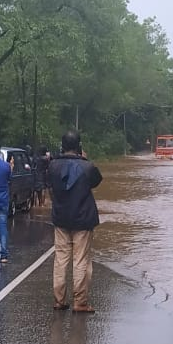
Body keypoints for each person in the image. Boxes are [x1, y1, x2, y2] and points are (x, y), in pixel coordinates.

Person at [48, 130, 102, 313]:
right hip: (82, 218)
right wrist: (84, 159)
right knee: (80, 260)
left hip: (61, 218)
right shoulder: (88, 167)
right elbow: (96, 182)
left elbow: (51, 186)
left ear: (62, 146)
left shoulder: (53, 166)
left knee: (60, 259)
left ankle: (59, 300)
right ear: (79, 147)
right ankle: (80, 302)